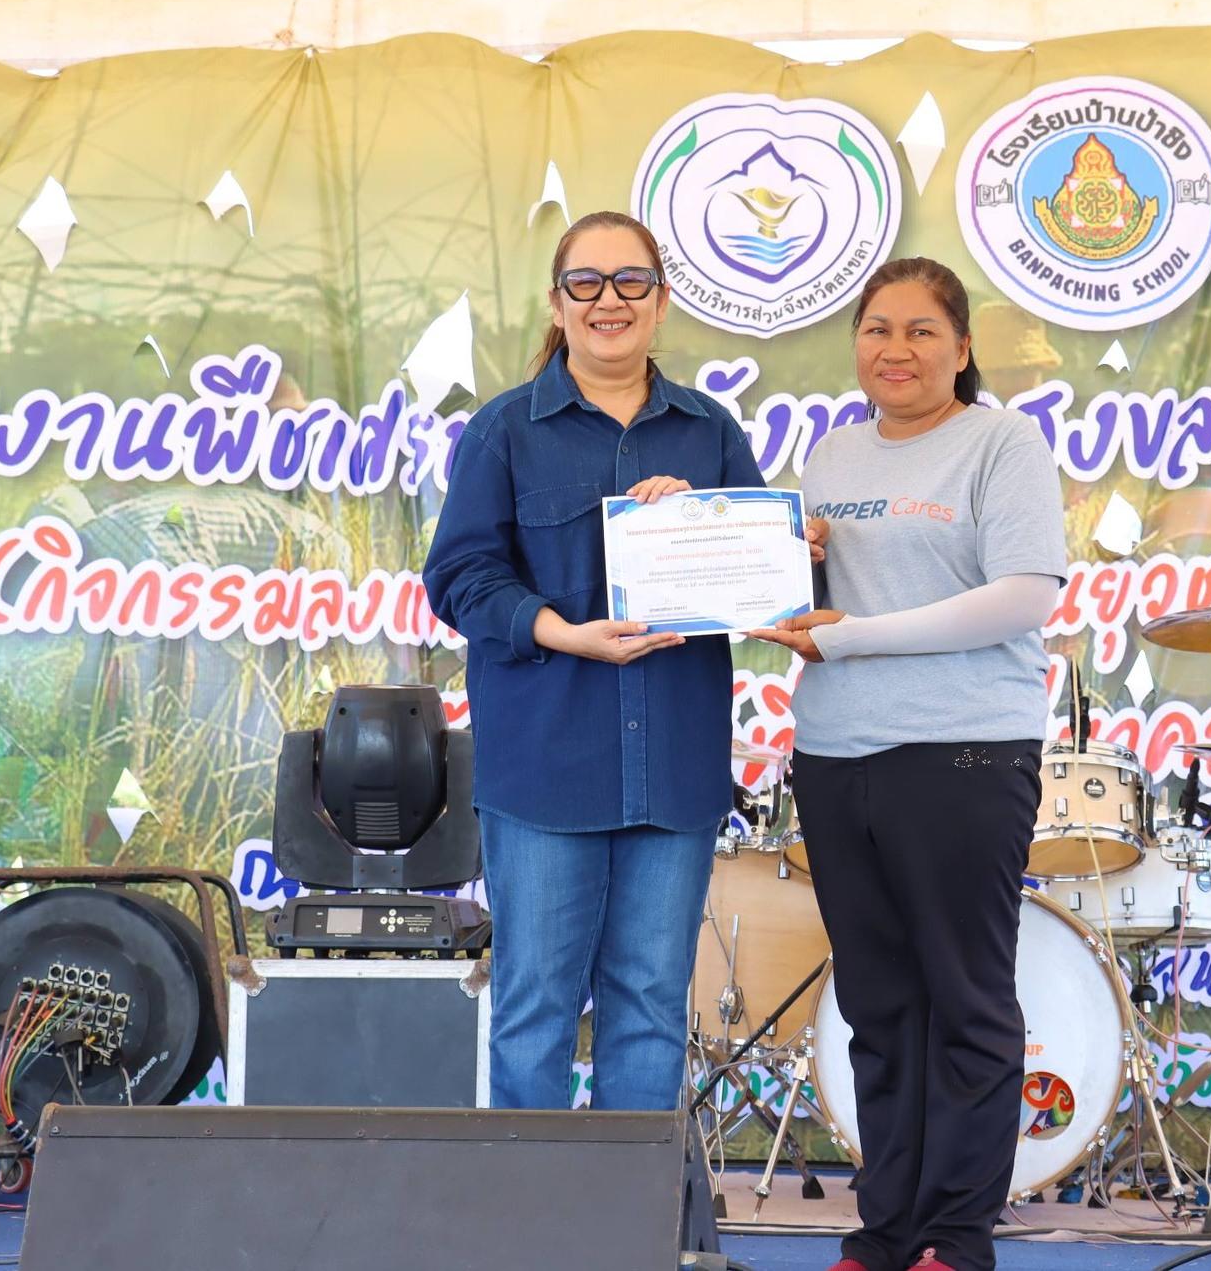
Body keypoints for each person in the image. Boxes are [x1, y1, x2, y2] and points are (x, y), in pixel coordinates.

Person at [423, 209, 794, 1112]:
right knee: (535, 1011)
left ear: (660, 302)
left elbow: (763, 578)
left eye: (631, 281)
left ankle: (633, 1203)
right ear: (558, 304)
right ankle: (537, 1205)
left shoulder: (708, 431)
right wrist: (563, 631)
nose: (609, 300)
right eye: (585, 283)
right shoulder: (504, 430)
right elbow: (460, 577)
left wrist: (710, 523)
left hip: (673, 773)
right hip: (545, 772)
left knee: (651, 1011)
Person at [751, 258, 1068, 1271]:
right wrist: (783, 563)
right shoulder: (831, 455)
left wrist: (854, 637)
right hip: (834, 754)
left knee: (965, 1002)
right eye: (877, 329)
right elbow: (813, 602)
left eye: (922, 330)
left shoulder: (1002, 444)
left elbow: (1023, 596)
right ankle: (885, 1230)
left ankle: (954, 1238)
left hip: (962, 752)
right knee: (879, 1007)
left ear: (961, 348)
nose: (896, 349)